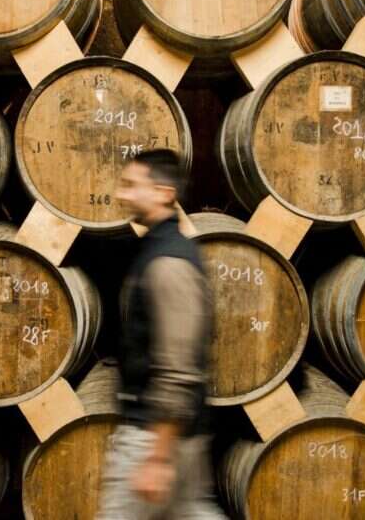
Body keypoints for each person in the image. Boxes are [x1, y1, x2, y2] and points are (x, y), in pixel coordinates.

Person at [96, 149, 226, 519]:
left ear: (164, 193)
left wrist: (158, 456)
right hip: (168, 436)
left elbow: (179, 364)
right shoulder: (155, 249)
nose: (122, 195)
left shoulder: (169, 261)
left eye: (132, 186)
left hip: (153, 436)